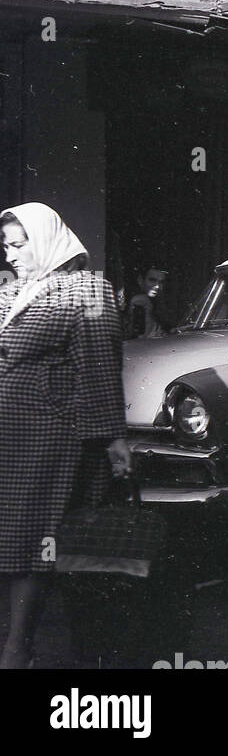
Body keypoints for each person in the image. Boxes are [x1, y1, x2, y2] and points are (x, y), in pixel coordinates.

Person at [0, 203, 131, 668]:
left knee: (30, 539)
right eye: (6, 247)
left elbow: (98, 368)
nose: (10, 255)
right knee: (8, 538)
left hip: (45, 437)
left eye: (18, 245)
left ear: (46, 239)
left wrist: (113, 438)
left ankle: (18, 649)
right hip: (5, 438)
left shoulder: (87, 289)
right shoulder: (9, 292)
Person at [124, 266, 169, 339]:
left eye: (161, 282)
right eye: (152, 280)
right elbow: (142, 336)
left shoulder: (156, 302)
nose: (157, 286)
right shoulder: (140, 301)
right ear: (140, 280)